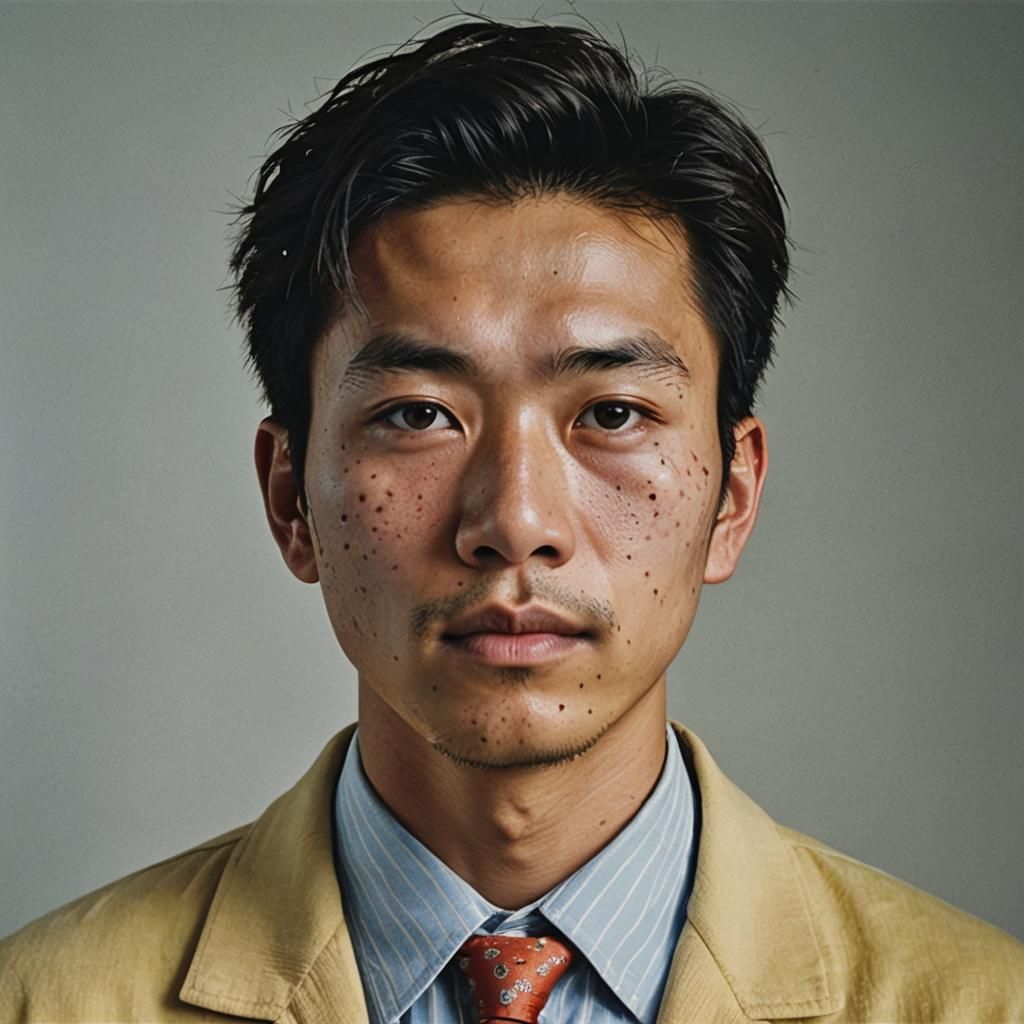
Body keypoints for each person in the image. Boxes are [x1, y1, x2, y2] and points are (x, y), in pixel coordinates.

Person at [1, 17, 1021, 1024]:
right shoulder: (44, 1002)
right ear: (289, 498)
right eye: (417, 415)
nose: (516, 520)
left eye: (612, 414)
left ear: (732, 495)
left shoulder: (981, 1003)